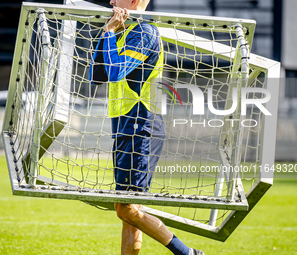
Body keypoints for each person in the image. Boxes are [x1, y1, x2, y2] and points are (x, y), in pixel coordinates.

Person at [89, 0, 205, 254]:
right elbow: (96, 74)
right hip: (125, 127)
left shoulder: (145, 31)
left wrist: (109, 33)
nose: (110, 1)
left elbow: (117, 71)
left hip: (141, 127)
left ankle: (187, 252)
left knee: (126, 209)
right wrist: (108, 33)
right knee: (130, 209)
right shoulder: (126, 31)